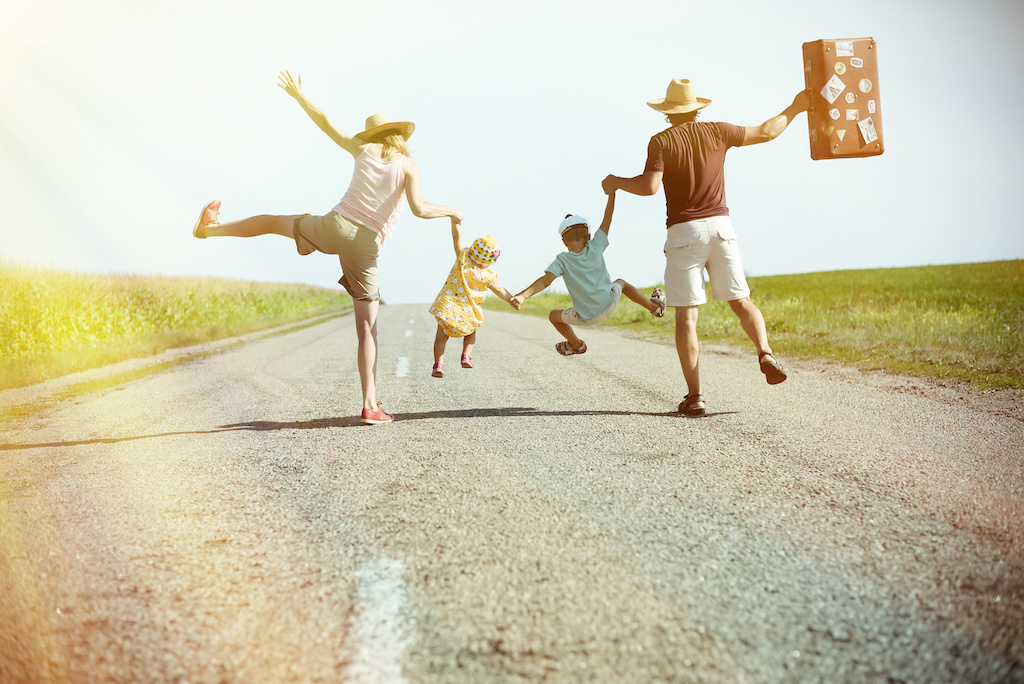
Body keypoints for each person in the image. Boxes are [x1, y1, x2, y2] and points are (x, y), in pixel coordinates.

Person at [192, 71, 464, 425]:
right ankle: (370, 406)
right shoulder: (408, 165)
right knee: (367, 329)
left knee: (275, 222)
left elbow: (325, 122)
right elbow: (420, 210)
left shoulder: (362, 148)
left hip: (334, 226)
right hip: (365, 244)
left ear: (373, 135)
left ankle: (210, 231)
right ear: (399, 136)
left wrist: (300, 95)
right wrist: (453, 211)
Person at [602, 78, 809, 416]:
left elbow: (651, 186)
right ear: (697, 108)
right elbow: (768, 132)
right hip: (722, 228)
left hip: (684, 232)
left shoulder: (661, 141)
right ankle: (766, 353)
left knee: (687, 316)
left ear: (668, 113)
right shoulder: (719, 131)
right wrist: (797, 106)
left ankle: (695, 396)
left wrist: (617, 183)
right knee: (742, 302)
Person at [510, 192, 665, 355]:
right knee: (621, 283)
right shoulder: (596, 245)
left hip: (586, 317)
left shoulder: (562, 260)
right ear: (589, 236)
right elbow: (607, 219)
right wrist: (612, 195)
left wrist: (522, 296)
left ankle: (576, 344)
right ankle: (655, 307)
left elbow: (545, 281)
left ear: (564, 241)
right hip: (610, 303)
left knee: (552, 316)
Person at [428, 227, 512, 377]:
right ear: (489, 259)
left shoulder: (463, 260)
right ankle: (466, 355)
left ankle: (438, 365)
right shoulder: (487, 275)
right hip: (469, 312)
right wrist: (512, 300)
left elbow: (456, 238)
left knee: (441, 338)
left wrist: (455, 223)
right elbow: (499, 290)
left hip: (448, 307)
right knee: (471, 332)